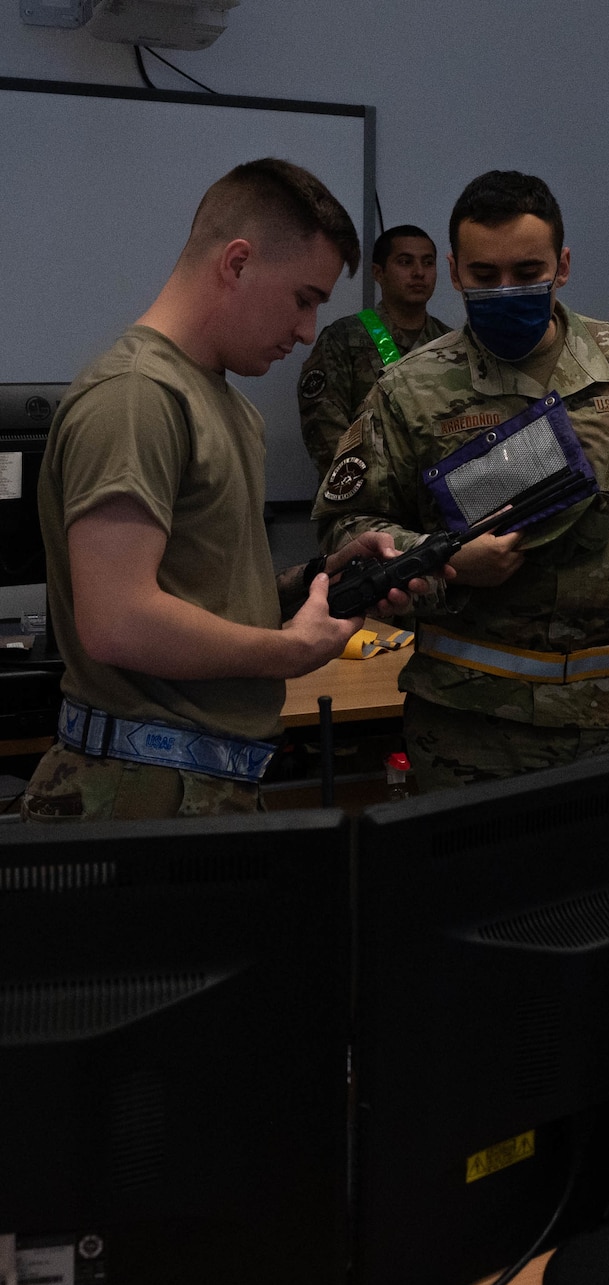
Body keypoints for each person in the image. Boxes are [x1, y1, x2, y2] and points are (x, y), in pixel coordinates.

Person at [22, 159, 425, 822]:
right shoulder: (137, 396)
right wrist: (292, 650)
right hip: (136, 792)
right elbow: (117, 622)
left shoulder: (229, 408)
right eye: (303, 298)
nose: (305, 330)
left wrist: (315, 579)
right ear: (237, 263)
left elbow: (202, 587)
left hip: (205, 785)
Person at [315, 170, 609, 789]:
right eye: (484, 277)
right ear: (455, 273)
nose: (506, 289)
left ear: (562, 265)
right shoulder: (411, 388)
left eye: (527, 272)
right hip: (472, 724)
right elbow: (344, 530)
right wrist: (445, 559)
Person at [296, 224, 452, 475]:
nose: (419, 272)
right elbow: (324, 430)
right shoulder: (345, 339)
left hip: (437, 497)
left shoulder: (449, 341)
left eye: (428, 262)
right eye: (405, 262)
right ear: (378, 273)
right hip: (364, 496)